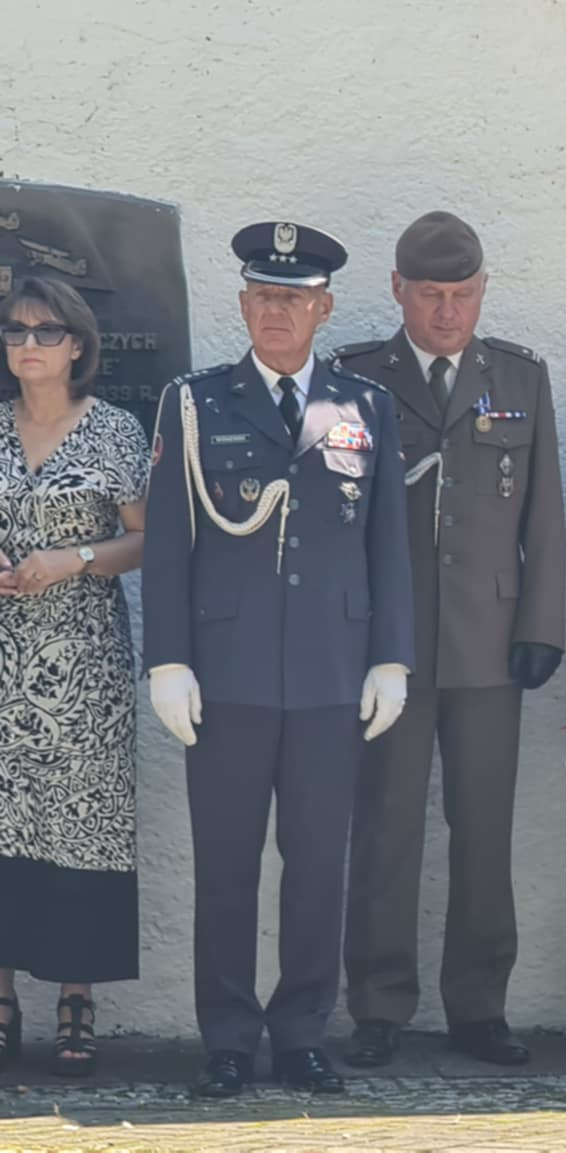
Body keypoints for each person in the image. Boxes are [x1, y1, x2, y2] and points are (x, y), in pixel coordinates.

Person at [143, 222, 413, 1097]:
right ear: (243, 304)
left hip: (333, 674)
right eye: (263, 295)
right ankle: (226, 1036)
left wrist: (392, 657)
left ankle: (301, 1032)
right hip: (226, 675)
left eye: (294, 299)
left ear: (323, 310)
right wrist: (168, 660)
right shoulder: (195, 403)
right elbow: (170, 543)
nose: (277, 311)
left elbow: (388, 543)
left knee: (318, 864)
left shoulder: (364, 407)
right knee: (226, 866)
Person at [331, 212, 566, 1070]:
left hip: (488, 644)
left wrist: (542, 624)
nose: (446, 311)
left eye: (462, 294)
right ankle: (378, 1005)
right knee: (385, 827)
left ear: (482, 290)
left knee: (484, 830)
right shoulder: (355, 377)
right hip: (385, 647)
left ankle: (479, 1004)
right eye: (430, 293)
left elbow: (544, 513)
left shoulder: (519, 375)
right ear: (398, 289)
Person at [0, 276, 149, 1076]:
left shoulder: (114, 431)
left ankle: (76, 996)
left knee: (82, 826)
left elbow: (148, 539)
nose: (28, 344)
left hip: (84, 670)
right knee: (2, 823)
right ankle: (0, 997)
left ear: (78, 344)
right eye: (16, 330)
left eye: (46, 331)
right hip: (2, 663)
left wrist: (74, 558)